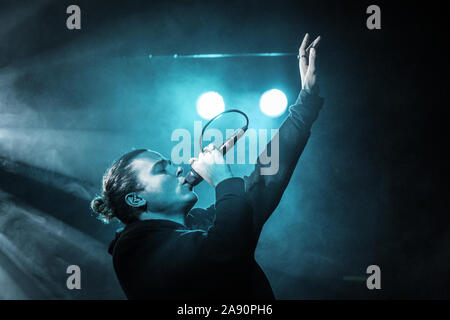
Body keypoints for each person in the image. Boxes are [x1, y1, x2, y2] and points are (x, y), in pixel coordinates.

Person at [91, 33, 324, 299]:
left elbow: (263, 182)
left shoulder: (199, 224)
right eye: (161, 169)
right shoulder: (133, 250)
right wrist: (223, 179)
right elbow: (226, 255)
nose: (178, 169)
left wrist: (305, 103)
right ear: (135, 198)